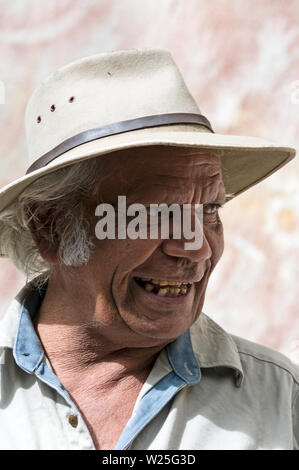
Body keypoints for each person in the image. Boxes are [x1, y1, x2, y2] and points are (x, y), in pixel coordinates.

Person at [0, 48, 297, 450]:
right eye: (154, 214)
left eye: (209, 209)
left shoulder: (281, 400)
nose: (195, 248)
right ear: (49, 228)